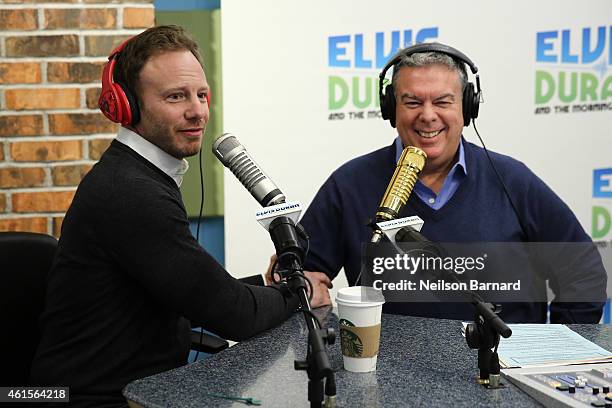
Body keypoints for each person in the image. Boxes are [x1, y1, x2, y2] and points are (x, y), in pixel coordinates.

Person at [30, 25, 328, 408]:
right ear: (127, 106)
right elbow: (233, 314)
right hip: (91, 398)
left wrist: (268, 288)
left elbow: (190, 288)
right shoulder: (130, 192)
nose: (198, 111)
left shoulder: (138, 174)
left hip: (133, 388)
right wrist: (300, 291)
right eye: (176, 97)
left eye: (202, 95)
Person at [297, 42, 606, 324]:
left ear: (467, 108)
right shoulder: (349, 185)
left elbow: (583, 270)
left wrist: (558, 348)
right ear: (391, 109)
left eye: (443, 101)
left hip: (503, 375)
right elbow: (303, 274)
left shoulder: (514, 181)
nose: (428, 115)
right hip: (386, 376)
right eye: (412, 102)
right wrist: (302, 282)